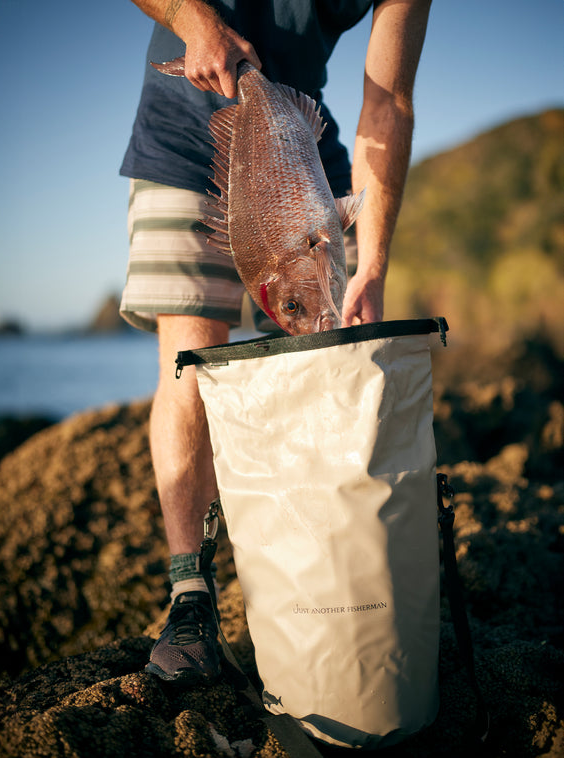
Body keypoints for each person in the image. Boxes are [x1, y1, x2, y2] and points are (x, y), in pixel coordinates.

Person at [119, 0, 432, 682]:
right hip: (180, 138)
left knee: (328, 375)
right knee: (190, 367)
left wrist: (370, 269)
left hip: (300, 148)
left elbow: (388, 103)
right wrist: (190, 18)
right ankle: (191, 598)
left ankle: (327, 574)